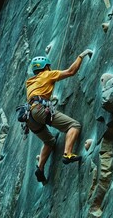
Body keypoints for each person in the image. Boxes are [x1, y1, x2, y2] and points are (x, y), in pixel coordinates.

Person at [26, 49, 93, 183]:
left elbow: (39, 94)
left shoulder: (31, 82)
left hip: (30, 117)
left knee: (50, 141)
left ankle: (40, 169)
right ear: (45, 66)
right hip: (40, 110)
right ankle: (67, 154)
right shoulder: (47, 74)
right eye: (48, 66)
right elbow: (70, 71)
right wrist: (81, 55)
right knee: (74, 125)